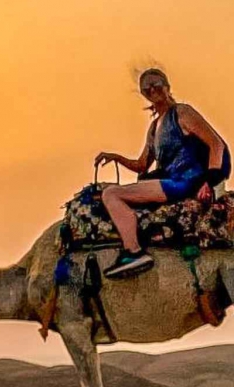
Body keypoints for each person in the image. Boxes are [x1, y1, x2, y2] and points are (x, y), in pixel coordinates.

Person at [94, 68, 230, 279]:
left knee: (112, 194)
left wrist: (209, 182)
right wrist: (116, 157)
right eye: (146, 88)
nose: (152, 90)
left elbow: (216, 144)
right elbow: (142, 165)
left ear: (167, 86)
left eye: (156, 84)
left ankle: (133, 251)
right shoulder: (154, 128)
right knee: (111, 191)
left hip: (185, 181)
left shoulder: (181, 113)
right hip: (170, 181)